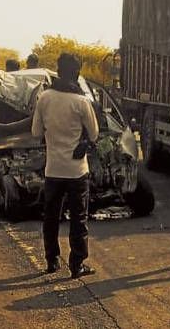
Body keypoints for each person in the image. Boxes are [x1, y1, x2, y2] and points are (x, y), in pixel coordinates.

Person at [32, 53, 99, 279]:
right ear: (77, 74)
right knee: (79, 218)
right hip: (77, 170)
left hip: (53, 169)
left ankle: (52, 260)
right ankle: (77, 264)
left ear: (58, 71)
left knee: (51, 217)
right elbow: (94, 134)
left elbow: (35, 132)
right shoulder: (81, 102)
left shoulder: (44, 98)